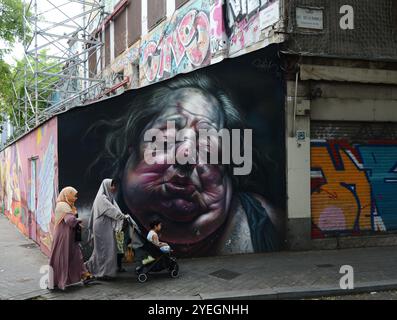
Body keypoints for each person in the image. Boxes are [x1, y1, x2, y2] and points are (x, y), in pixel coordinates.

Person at [85, 179, 129, 279]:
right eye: (112, 185)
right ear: (106, 186)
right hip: (102, 227)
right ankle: (102, 272)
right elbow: (111, 210)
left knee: (107, 249)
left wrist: (122, 215)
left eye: (114, 185)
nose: (114, 188)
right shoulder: (102, 198)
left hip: (105, 226)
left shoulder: (109, 198)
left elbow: (115, 208)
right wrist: (121, 216)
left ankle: (103, 271)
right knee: (105, 249)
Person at [49, 187, 91, 290]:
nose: (75, 197)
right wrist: (78, 220)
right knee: (63, 256)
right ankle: (60, 280)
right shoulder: (63, 205)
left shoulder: (66, 204)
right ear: (67, 195)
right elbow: (70, 221)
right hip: (64, 235)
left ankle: (84, 274)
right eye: (73, 195)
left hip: (69, 235)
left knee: (75, 255)